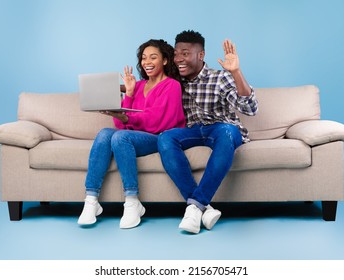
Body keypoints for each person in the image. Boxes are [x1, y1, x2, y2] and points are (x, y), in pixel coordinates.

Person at [157, 30, 258, 234]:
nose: (178, 59)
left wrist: (236, 72)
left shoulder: (219, 77)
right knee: (166, 137)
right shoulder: (175, 81)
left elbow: (250, 109)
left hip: (222, 130)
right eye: (176, 54)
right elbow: (148, 86)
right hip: (193, 132)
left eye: (185, 54)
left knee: (228, 132)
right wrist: (123, 90)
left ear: (201, 55)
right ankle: (204, 208)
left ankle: (195, 206)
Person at [78, 39, 186, 229]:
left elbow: (157, 122)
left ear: (165, 61)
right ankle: (91, 200)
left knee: (121, 137)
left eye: (153, 57)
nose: (147, 62)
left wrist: (127, 119)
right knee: (105, 133)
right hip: (133, 137)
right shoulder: (138, 85)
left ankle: (132, 200)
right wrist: (128, 93)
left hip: (160, 137)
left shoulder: (172, 86)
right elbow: (120, 125)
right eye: (144, 58)